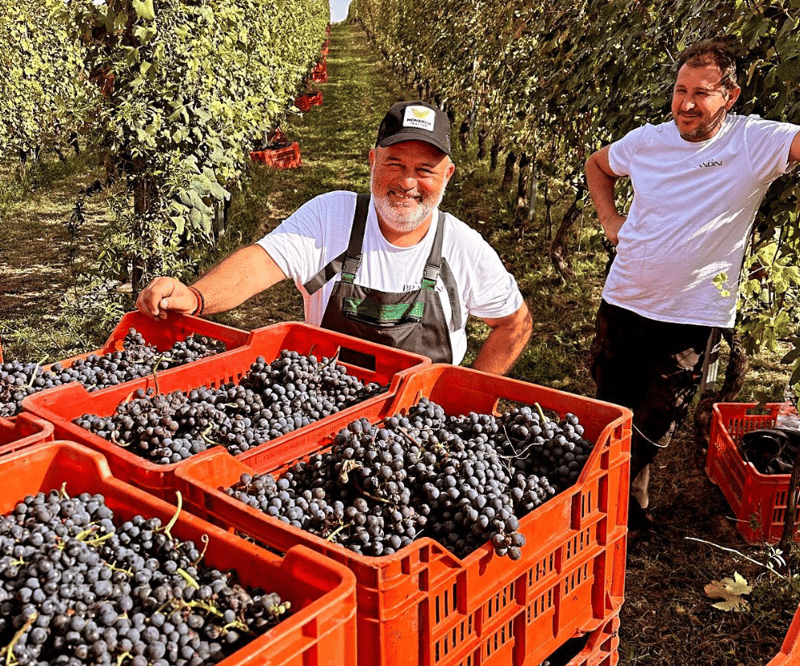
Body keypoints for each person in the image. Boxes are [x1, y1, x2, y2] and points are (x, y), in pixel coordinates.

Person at [137, 100, 532, 375]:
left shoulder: (462, 248)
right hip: (328, 403)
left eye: (425, 170)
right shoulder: (333, 215)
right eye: (394, 163)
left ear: (447, 176)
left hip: (422, 424)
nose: (408, 182)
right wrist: (197, 296)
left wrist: (475, 394)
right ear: (373, 160)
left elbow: (515, 323)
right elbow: (262, 261)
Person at [584, 39, 800, 531]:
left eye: (702, 93)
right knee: (609, 401)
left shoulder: (752, 142)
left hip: (692, 312)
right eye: (680, 90)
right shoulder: (647, 141)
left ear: (731, 96)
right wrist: (609, 219)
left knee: (661, 416)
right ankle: (602, 496)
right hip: (625, 296)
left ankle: (622, 494)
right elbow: (599, 165)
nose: (685, 103)